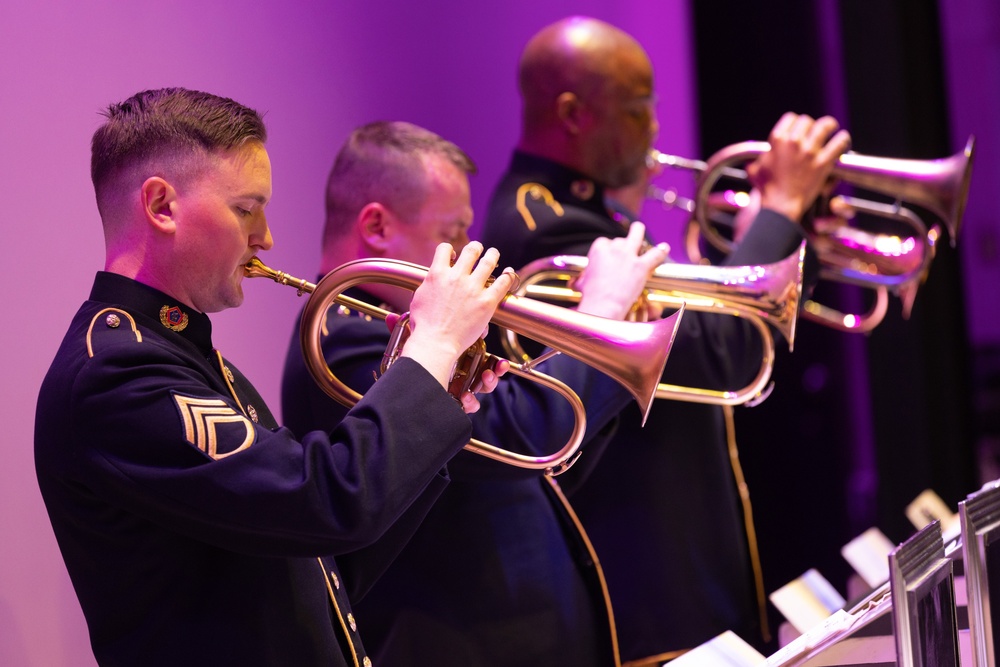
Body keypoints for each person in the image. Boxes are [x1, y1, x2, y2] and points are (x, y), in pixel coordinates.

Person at [33, 88, 519, 667]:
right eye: (245, 208)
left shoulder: (190, 361)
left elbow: (322, 569)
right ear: (162, 205)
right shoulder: (116, 373)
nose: (265, 237)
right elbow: (325, 500)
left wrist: (440, 399)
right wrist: (434, 346)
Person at [479, 16, 853, 666]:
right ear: (571, 112)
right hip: (648, 597)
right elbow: (721, 353)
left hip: (686, 581)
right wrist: (778, 212)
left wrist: (797, 238)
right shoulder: (542, 228)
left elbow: (730, 322)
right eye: (638, 105)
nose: (655, 123)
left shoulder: (586, 215)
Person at [281, 120, 670, 666]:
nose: (470, 249)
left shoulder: (405, 332)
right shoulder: (343, 341)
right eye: (455, 230)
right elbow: (528, 431)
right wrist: (601, 311)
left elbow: (543, 463)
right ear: (376, 226)